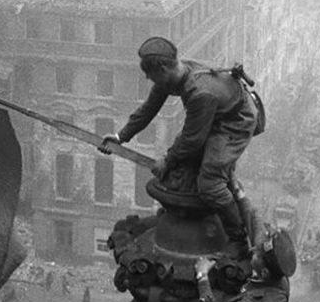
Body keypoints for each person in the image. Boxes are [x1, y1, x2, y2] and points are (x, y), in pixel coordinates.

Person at [98, 37, 259, 244]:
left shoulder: (200, 92)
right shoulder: (174, 75)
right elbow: (149, 109)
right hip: (215, 113)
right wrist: (121, 136)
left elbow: (192, 140)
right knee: (187, 164)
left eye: (150, 75)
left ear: (163, 68)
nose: (148, 79)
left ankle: (237, 236)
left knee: (209, 182)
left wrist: (168, 160)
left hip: (234, 122)